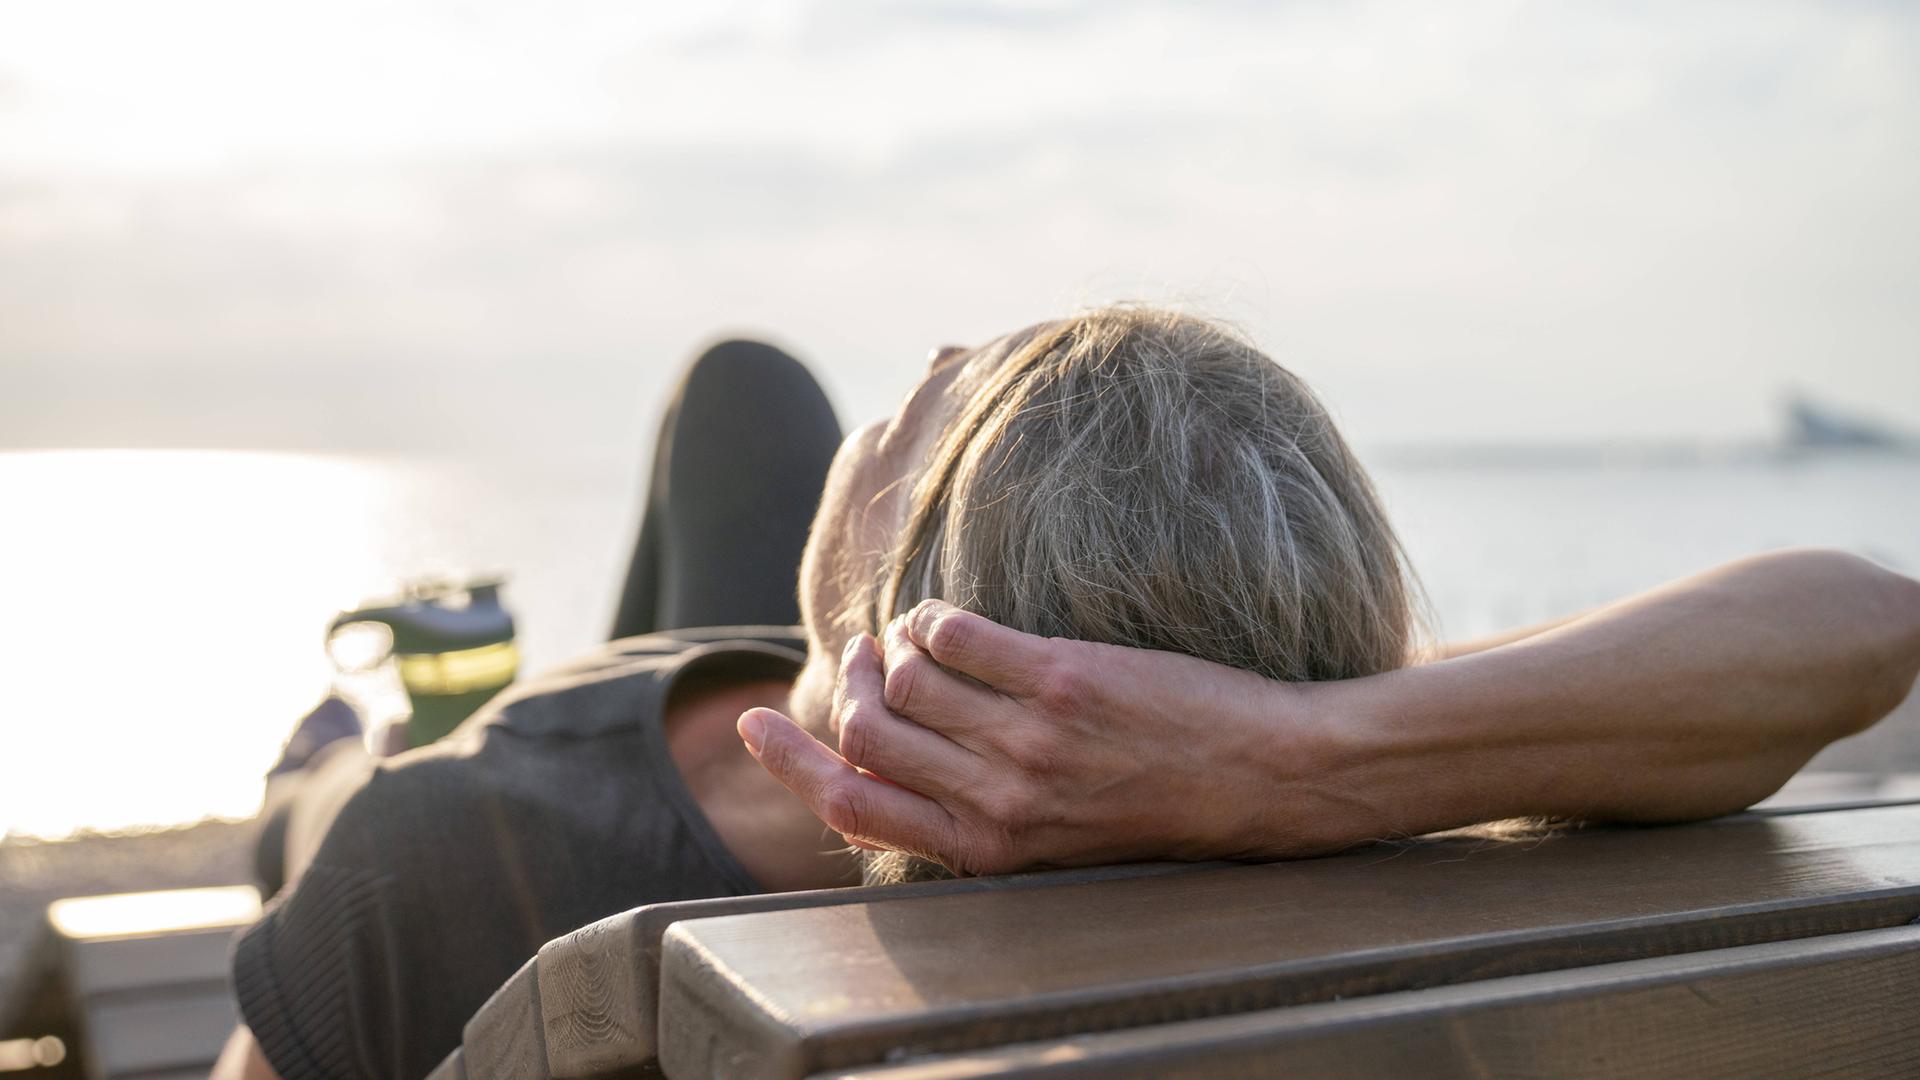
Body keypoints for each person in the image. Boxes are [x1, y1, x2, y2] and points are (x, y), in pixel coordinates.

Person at [218, 308, 1920, 1079]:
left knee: (729, 410)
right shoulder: (1310, 772)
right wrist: (1309, 761)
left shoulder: (441, 851)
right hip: (857, 717)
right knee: (750, 396)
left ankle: (328, 744)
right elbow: (1864, 622)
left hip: (568, 773)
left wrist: (833, 654)